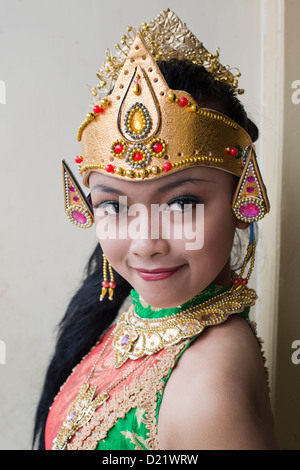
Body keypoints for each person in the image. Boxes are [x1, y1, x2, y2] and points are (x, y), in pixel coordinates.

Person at [33, 10, 278, 450]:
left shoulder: (209, 389)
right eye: (114, 205)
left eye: (182, 203)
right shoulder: (136, 307)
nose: (145, 244)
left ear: (243, 199)